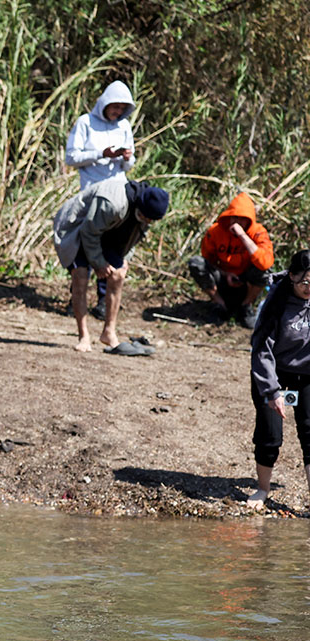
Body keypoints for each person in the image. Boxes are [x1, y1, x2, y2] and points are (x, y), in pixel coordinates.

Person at [52, 174, 169, 354]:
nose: (149, 223)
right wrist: (99, 263)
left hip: (106, 231)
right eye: (147, 219)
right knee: (81, 276)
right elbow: (88, 233)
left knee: (118, 275)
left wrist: (124, 261)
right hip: (78, 227)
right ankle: (83, 336)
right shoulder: (113, 203)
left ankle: (109, 332)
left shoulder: (147, 211)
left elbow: (134, 236)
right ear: (141, 208)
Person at [65, 80, 137, 322]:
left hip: (117, 195)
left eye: (121, 108)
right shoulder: (86, 123)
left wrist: (126, 157)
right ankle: (77, 296)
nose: (116, 112)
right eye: (113, 107)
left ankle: (104, 300)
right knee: (85, 244)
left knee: (113, 245)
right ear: (104, 104)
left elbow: (129, 164)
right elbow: (71, 157)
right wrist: (101, 154)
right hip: (90, 194)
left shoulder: (124, 126)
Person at [247, 251, 310, 508]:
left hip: (305, 375)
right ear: (292, 276)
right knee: (270, 434)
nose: (309, 288)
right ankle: (262, 489)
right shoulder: (275, 303)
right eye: (305, 282)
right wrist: (272, 391)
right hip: (273, 374)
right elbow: (261, 349)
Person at [189, 192, 274, 328]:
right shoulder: (216, 231)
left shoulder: (258, 233)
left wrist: (242, 235)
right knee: (196, 263)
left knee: (265, 270)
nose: (237, 222)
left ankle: (246, 307)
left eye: (242, 219)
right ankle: (218, 304)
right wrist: (225, 273)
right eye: (234, 217)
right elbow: (207, 261)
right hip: (223, 279)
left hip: (246, 284)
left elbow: (265, 263)